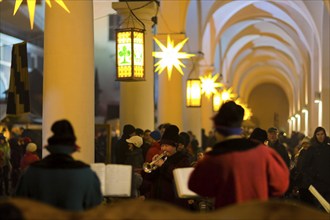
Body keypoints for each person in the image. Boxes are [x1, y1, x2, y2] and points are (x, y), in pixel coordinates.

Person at [188, 101, 289, 209]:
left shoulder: (214, 157)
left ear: (217, 131)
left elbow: (196, 186)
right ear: (240, 129)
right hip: (257, 213)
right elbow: (281, 184)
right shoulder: (263, 152)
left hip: (227, 214)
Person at [15, 119, 102, 211]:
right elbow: (94, 210)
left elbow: (19, 205)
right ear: (73, 148)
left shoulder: (31, 172)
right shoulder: (87, 174)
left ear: (50, 147)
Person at [142, 125, 191, 209]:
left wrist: (163, 165)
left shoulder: (183, 159)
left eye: (167, 146)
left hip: (174, 203)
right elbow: (147, 177)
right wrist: (152, 164)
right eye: (162, 145)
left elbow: (178, 177)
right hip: (157, 202)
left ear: (174, 146)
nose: (163, 148)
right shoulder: (163, 158)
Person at [301, 127, 330, 210]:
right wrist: (313, 175)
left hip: (328, 184)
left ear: (325, 135)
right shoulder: (311, 149)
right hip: (317, 185)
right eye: (318, 134)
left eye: (322, 134)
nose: (320, 136)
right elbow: (304, 166)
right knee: (319, 208)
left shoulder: (328, 148)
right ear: (315, 136)